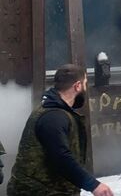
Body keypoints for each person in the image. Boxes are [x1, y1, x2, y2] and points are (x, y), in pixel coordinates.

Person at [7, 64, 113, 196]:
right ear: (78, 86)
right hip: (39, 191)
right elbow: (60, 157)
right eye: (85, 84)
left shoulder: (54, 110)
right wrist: (93, 185)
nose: (86, 88)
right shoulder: (54, 117)